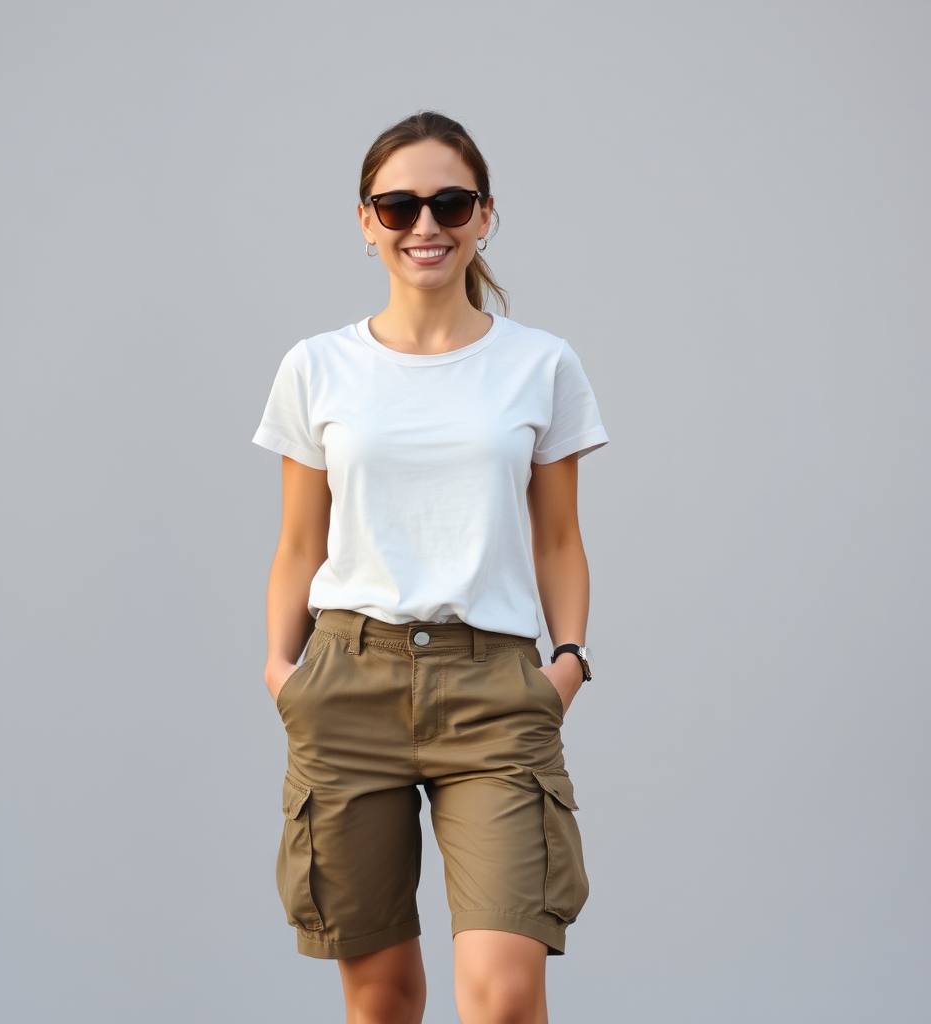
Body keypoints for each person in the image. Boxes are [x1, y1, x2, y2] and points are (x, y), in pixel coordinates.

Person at [253, 111, 608, 1024]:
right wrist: (282, 671)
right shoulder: (317, 367)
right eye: (399, 205)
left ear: (484, 215)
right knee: (382, 996)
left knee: (503, 992)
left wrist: (566, 662)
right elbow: (299, 541)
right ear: (365, 221)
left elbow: (560, 539)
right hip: (347, 680)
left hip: (493, 688)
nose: (426, 225)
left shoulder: (541, 364)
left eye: (450, 202)